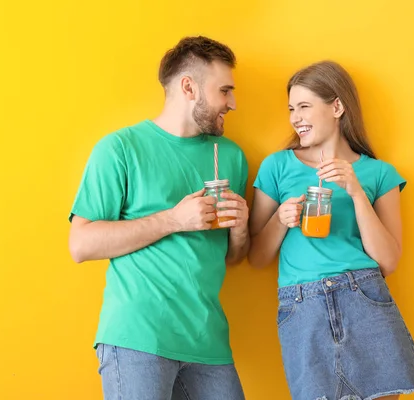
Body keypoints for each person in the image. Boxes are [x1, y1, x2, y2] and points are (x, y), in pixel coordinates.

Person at [68, 36, 249, 400]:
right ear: (188, 87)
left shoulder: (230, 157)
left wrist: (241, 229)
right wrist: (174, 219)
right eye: (224, 91)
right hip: (138, 338)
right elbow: (81, 244)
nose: (232, 103)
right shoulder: (119, 149)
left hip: (208, 343)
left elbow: (232, 256)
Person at [248, 61, 414, 400]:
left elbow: (388, 261)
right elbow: (257, 258)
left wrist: (356, 191)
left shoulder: (378, 174)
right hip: (303, 304)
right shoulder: (277, 166)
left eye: (304, 107)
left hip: (363, 295)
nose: (295, 118)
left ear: (337, 106)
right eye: (291, 109)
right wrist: (280, 220)